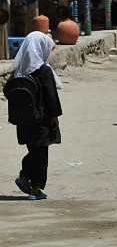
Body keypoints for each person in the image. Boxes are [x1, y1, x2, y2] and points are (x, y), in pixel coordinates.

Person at [5, 32, 62, 200]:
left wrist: (23, 104)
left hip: (24, 120)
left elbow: (7, 90)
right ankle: (36, 189)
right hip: (42, 119)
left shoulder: (19, 71)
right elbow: (51, 96)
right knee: (41, 154)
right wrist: (55, 116)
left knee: (33, 150)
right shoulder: (43, 70)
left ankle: (24, 177)